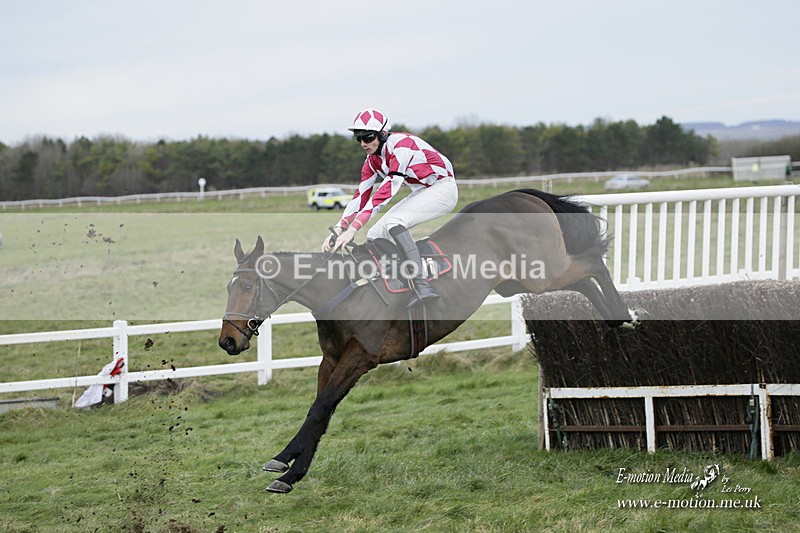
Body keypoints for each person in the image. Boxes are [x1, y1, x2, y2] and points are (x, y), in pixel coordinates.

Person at [322, 107, 458, 306]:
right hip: (423, 190)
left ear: (383, 134)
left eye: (368, 137)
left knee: (394, 221)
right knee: (376, 234)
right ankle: (403, 280)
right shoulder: (371, 160)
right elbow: (360, 196)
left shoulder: (401, 146)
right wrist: (338, 229)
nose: (363, 143)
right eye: (358, 138)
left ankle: (422, 285)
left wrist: (352, 229)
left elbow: (385, 192)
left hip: (443, 188)